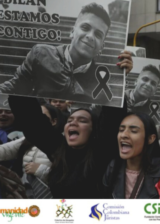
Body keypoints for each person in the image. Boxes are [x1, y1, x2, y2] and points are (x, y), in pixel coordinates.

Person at [6, 54, 132, 199]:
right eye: (70, 120)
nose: (73, 123)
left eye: (82, 120)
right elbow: (32, 121)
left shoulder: (102, 152)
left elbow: (112, 120)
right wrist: (21, 79)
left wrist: (117, 80)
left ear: (94, 130)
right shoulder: (58, 149)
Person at [0, 2, 131, 103]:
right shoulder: (40, 54)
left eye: (98, 34)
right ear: (72, 31)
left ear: (102, 47)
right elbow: (14, 87)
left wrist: (124, 78)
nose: (90, 36)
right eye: (85, 28)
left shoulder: (102, 82)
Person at [103, 112, 160, 199]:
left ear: (150, 138)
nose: (124, 135)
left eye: (133, 131)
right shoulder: (113, 167)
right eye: (121, 130)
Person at [0, 104, 58, 198]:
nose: (37, 120)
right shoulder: (29, 139)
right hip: (28, 194)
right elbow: (5, 150)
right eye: (34, 117)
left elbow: (71, 177)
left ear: (54, 121)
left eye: (41, 116)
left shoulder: (64, 142)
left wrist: (41, 170)